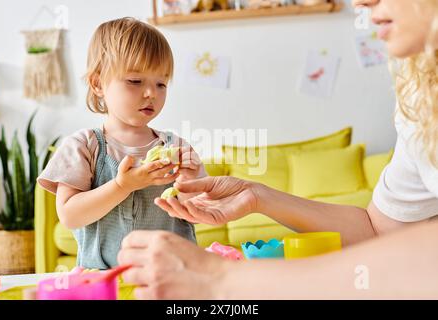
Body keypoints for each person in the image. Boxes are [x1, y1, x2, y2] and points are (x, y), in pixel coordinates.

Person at [117, 0, 438, 299]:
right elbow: (378, 230)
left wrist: (221, 278)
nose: (360, 2)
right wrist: (256, 196)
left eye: (161, 84)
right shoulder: (420, 105)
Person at [38, 17, 205, 270]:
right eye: (135, 81)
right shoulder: (84, 146)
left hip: (171, 278)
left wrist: (189, 185)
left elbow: (199, 213)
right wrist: (121, 186)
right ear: (98, 84)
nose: (152, 93)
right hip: (103, 280)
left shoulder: (176, 146)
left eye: (161, 84)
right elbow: (70, 216)